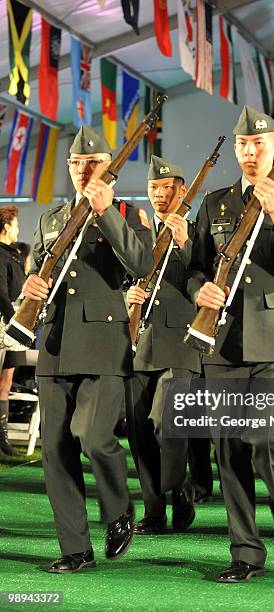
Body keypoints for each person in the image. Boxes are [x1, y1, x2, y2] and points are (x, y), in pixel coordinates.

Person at [187, 105, 274, 583]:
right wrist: (197, 289)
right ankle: (246, 550)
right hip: (222, 341)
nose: (249, 152)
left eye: (259, 145)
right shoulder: (214, 203)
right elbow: (194, 268)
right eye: (243, 145)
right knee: (229, 451)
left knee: (270, 439)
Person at [22, 125, 153, 573]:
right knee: (56, 450)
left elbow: (141, 264)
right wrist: (32, 282)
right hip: (56, 342)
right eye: (76, 164)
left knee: (95, 438)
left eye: (92, 163)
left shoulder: (128, 214)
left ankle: (119, 510)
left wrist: (106, 215)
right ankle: (75, 549)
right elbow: (41, 266)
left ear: (109, 168)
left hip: (102, 342)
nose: (83, 170)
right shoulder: (52, 218)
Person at [126, 155, 201, 535]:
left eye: (166, 188)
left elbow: (207, 272)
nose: (158, 194)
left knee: (165, 421)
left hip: (180, 339)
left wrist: (186, 243)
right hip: (139, 339)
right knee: (139, 428)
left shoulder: (198, 229)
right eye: (153, 188)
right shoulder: (136, 231)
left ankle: (179, 489)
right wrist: (128, 298)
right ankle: (154, 510)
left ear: (182, 191)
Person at [0, 206, 26, 456]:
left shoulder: (14, 254)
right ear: (7, 227)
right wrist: (14, 322)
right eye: (16, 224)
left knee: (6, 383)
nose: (18, 229)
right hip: (5, 326)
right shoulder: (1, 254)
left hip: (14, 328)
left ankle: (3, 439)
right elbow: (1, 293)